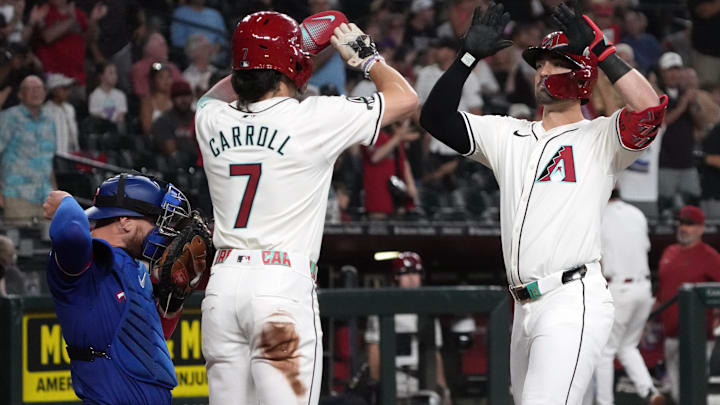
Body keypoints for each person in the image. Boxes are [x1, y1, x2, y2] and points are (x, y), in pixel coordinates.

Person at [419, 2, 667, 403]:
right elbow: (436, 119)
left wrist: (602, 51)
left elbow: (650, 111)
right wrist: (467, 59)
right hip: (523, 308)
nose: (543, 72)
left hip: (571, 297)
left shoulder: (600, 138)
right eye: (540, 65)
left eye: (556, 64)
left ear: (581, 76)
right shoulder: (507, 135)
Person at [194, 11, 417, 405]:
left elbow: (214, 94)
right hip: (280, 287)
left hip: (222, 286)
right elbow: (405, 98)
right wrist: (366, 57)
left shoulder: (211, 118)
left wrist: (266, 54)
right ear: (295, 66)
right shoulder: (314, 116)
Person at [41, 173, 192, 404]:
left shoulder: (137, 268)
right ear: (125, 221)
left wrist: (172, 305)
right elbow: (71, 231)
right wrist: (66, 203)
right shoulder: (85, 258)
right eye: (155, 221)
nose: (162, 232)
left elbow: (147, 341)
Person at [595, 190, 664, 405]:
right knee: (628, 346)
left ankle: (605, 402)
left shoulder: (598, 214)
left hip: (619, 287)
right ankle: (650, 391)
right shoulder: (637, 213)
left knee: (605, 351)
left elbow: (596, 257)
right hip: (643, 288)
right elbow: (646, 247)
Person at [364, 252, 452, 405]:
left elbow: (434, 353)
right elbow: (374, 349)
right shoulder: (383, 307)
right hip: (392, 379)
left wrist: (443, 388)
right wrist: (377, 384)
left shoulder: (428, 311)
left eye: (415, 273)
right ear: (396, 277)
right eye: (406, 273)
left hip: (421, 381)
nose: (412, 278)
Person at [657, 205, 720, 403]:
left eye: (690, 224)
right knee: (676, 389)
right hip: (671, 333)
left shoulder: (710, 256)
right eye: (682, 223)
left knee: (695, 386)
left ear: (702, 228)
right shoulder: (669, 252)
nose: (684, 228)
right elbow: (661, 291)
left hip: (699, 335)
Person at [0, 75, 56, 224]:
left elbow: (49, 161)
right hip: (16, 195)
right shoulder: (8, 118)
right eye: (30, 89)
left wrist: (56, 194)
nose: (35, 92)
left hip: (45, 197)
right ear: (20, 94)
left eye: (39, 88)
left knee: (50, 244)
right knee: (20, 245)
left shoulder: (50, 120)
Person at [656, 52, 702, 218]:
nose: (674, 74)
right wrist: (683, 105)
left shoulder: (687, 94)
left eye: (677, 69)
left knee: (693, 207)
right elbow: (662, 122)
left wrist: (693, 105)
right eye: (670, 70)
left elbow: (700, 124)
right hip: (665, 163)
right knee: (665, 210)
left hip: (687, 163)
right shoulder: (657, 94)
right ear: (662, 72)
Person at [42, 73, 79, 154]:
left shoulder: (70, 108)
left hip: (72, 155)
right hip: (55, 156)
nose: (68, 91)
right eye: (64, 88)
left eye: (69, 88)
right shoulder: (45, 111)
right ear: (54, 90)